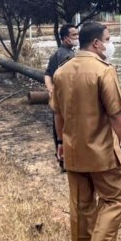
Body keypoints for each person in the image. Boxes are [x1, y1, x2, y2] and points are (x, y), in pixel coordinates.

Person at [51, 21, 121, 241]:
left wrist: (60, 142)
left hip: (73, 151)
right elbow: (116, 115)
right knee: (116, 200)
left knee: (81, 208)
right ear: (97, 43)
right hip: (102, 152)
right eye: (108, 39)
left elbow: (57, 113)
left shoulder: (61, 72)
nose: (110, 44)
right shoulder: (104, 71)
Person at [44, 23, 79, 171]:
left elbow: (47, 74)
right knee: (68, 130)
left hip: (58, 101)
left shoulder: (57, 53)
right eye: (74, 35)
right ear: (66, 38)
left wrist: (51, 89)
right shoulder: (68, 57)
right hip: (68, 101)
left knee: (58, 129)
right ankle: (67, 160)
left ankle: (62, 159)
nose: (77, 38)